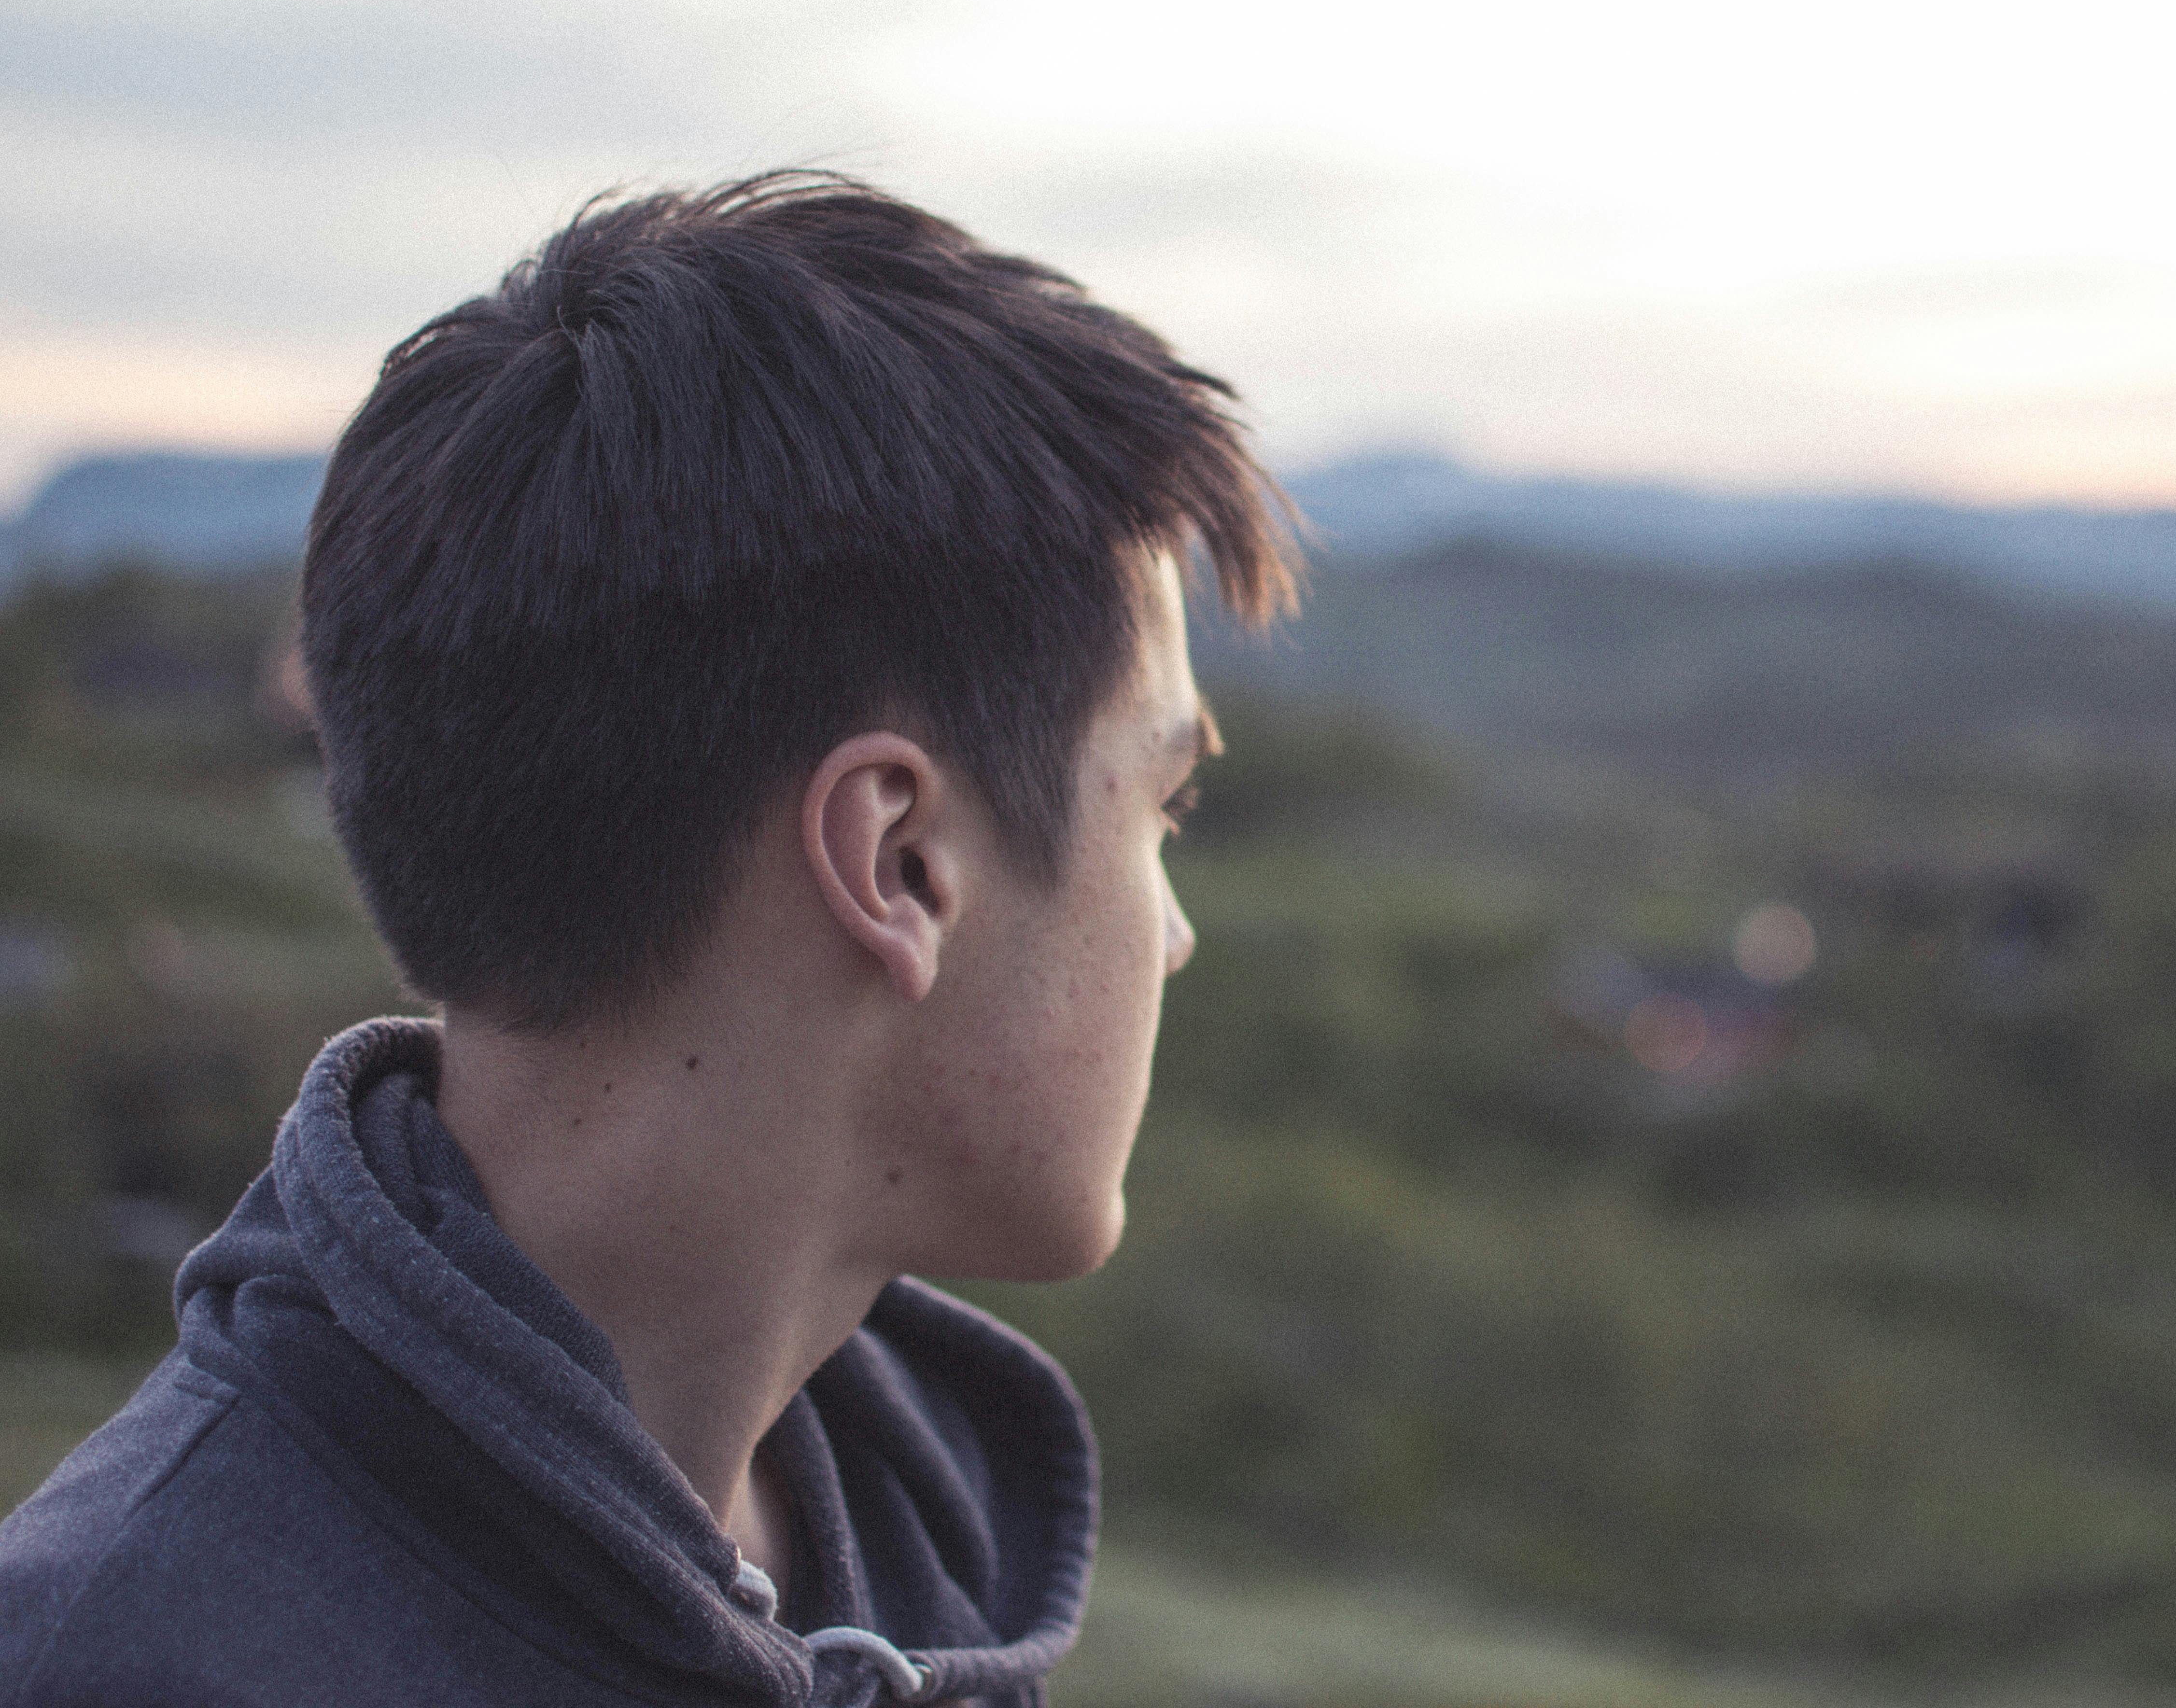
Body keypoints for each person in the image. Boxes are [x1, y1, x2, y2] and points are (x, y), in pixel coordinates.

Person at [0, 172, 1298, 1706]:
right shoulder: (119, 1661)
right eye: (1164, 808)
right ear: (902, 863)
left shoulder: (913, 1571)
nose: (1174, 932)